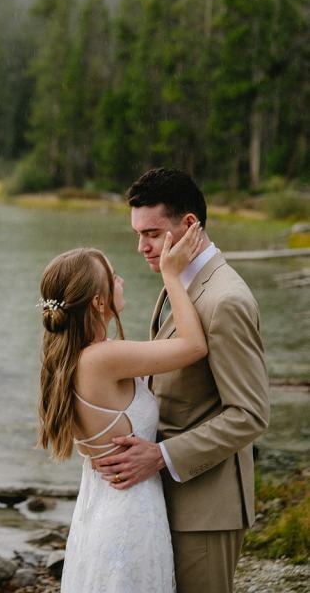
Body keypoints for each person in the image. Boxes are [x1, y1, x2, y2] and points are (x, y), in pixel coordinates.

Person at [94, 168, 270, 593]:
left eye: (152, 233)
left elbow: (250, 414)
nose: (142, 247)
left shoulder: (225, 299)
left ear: (189, 225)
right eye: (138, 234)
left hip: (207, 509)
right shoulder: (180, 277)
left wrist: (161, 456)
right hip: (167, 499)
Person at [38, 221, 205, 592]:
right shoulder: (103, 358)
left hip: (101, 506)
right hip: (128, 513)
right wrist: (172, 275)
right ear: (99, 302)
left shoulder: (76, 357)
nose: (121, 281)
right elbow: (194, 346)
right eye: (113, 277)